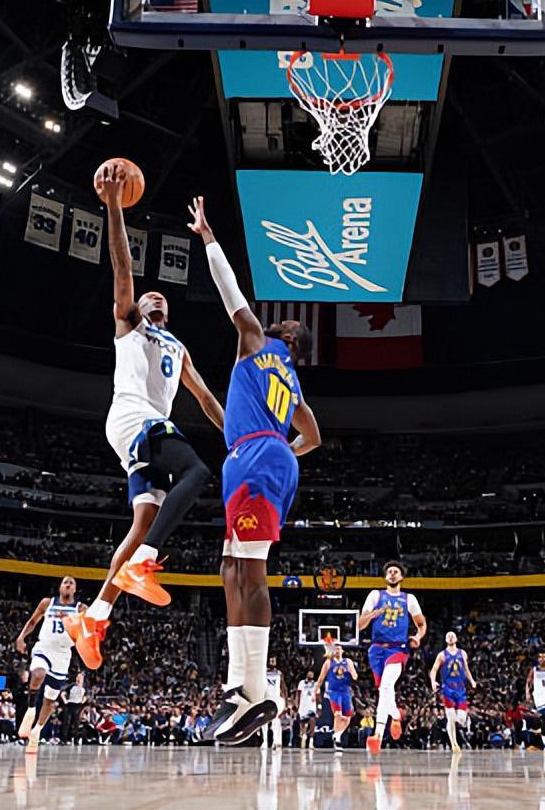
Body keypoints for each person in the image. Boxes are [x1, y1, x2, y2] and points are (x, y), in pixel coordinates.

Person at [67, 163, 226, 670]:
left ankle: (94, 616)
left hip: (144, 432)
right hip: (133, 417)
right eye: (147, 294)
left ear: (168, 313)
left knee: (143, 523)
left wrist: (240, 437)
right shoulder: (131, 325)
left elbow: (206, 399)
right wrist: (114, 207)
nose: (154, 295)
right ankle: (143, 565)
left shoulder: (177, 347)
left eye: (161, 297)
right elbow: (122, 269)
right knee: (197, 470)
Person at [187, 195, 321, 746]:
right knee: (230, 568)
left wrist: (208, 238)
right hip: (259, 456)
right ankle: (238, 686)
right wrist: (283, 451)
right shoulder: (292, 384)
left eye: (284, 322)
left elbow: (231, 295)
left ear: (287, 339)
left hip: (257, 459)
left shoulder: (259, 345)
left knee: (251, 571)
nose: (276, 320)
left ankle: (259, 689)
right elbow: (313, 436)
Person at [357, 560, 426, 754]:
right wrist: (372, 615)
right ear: (385, 576)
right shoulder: (375, 595)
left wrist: (418, 637)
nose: (393, 574)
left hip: (398, 649)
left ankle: (377, 734)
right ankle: (395, 715)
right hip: (377, 649)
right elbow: (360, 625)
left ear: (402, 577)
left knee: (387, 686)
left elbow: (421, 624)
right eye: (389, 571)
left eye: (396, 571)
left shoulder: (409, 599)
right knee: (384, 690)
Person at [15, 576, 84, 754]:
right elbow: (32, 621)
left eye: (71, 583)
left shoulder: (80, 608)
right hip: (44, 647)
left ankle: (37, 730)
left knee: (50, 699)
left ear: (75, 589)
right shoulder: (47, 603)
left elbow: (88, 630)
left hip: (63, 654)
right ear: (60, 587)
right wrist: (21, 637)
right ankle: (31, 709)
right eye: (65, 582)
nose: (68, 584)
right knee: (38, 674)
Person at [429, 631, 477, 751]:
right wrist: (433, 681)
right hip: (447, 689)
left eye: (452, 636)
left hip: (460, 689)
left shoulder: (463, 653)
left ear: (456, 639)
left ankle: (460, 733)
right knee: (451, 717)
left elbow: (466, 669)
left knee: (461, 718)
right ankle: (454, 743)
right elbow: (434, 669)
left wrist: (472, 681)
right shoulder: (442, 655)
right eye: (448, 636)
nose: (450, 637)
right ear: (446, 640)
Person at [316, 644, 358, 753]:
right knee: (338, 715)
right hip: (334, 692)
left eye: (339, 649)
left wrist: (353, 673)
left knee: (348, 717)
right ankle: (337, 741)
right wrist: (315, 690)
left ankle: (337, 734)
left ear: (342, 651)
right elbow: (321, 678)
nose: (337, 651)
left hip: (346, 691)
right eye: (335, 649)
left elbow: (355, 676)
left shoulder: (348, 662)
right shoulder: (328, 662)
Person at [263, 656, 287, 749]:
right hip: (266, 698)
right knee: (263, 721)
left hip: (276, 699)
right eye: (271, 660)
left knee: (276, 720)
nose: (272, 662)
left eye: (274, 660)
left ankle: (276, 741)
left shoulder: (279, 673)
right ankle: (264, 741)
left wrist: (285, 700)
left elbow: (283, 687)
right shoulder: (263, 672)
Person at [62, 673, 87, 745]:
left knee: (76, 723)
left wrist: (82, 701)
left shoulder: (84, 687)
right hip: (70, 704)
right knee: (67, 722)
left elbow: (85, 696)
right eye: (77, 677)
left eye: (80, 678)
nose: (78, 679)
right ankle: (64, 739)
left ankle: (76, 740)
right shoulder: (71, 686)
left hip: (78, 705)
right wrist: (65, 700)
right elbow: (63, 693)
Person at [297, 668, 319, 748]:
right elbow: (298, 695)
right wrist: (297, 705)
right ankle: (303, 736)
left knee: (312, 721)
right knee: (303, 724)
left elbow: (318, 696)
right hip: (303, 706)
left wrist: (319, 707)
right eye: (309, 673)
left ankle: (311, 740)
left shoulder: (316, 684)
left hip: (311, 705)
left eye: (312, 673)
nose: (310, 674)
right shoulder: (301, 683)